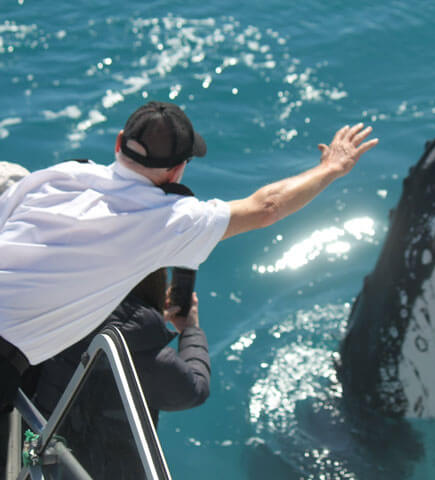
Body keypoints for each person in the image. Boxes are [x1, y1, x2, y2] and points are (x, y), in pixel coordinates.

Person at [0, 101, 378, 411]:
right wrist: (332, 168)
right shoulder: (169, 220)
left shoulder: (60, 175)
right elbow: (267, 207)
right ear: (178, 169)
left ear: (119, 143)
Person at [31, 268, 210, 425]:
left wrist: (144, 320)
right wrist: (190, 330)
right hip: (94, 459)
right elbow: (196, 390)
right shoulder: (149, 357)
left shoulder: (56, 307)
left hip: (36, 431)